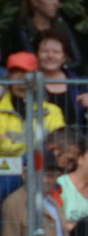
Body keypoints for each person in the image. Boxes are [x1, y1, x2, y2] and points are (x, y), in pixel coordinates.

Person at [2, 52, 67, 203]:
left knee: (31, 160)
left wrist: (10, 139)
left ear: (35, 76)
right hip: (4, 171)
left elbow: (57, 147)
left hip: (42, 170)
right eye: (14, 71)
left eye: (24, 71)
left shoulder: (52, 111)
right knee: (26, 160)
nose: (19, 76)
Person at [7, 0, 86, 74]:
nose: (56, 3)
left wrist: (58, 71)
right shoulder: (22, 27)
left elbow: (78, 61)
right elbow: (30, 61)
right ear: (34, 1)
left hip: (64, 77)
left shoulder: (61, 23)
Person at [35, 28, 88, 127]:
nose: (50, 56)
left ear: (64, 56)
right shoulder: (29, 82)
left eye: (56, 52)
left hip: (76, 139)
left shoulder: (80, 82)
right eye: (45, 51)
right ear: (37, 54)